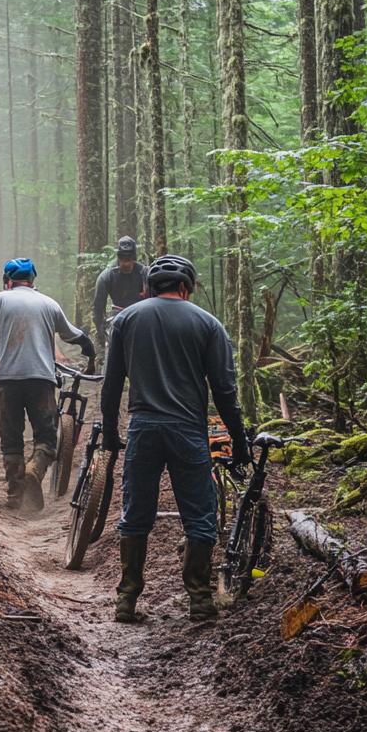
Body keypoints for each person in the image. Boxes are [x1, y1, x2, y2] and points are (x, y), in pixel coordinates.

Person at [100, 254, 250, 624]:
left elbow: (112, 383)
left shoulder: (126, 319)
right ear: (186, 287)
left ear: (150, 287)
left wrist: (110, 431)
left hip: (143, 428)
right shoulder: (209, 324)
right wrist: (240, 442)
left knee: (136, 514)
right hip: (188, 431)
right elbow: (225, 391)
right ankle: (199, 599)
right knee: (198, 515)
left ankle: (127, 599)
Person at [0, 258, 95, 512]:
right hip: (41, 380)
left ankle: (16, 495)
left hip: (6, 380)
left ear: (8, 280)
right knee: (47, 436)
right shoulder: (49, 303)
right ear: (32, 280)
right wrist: (91, 354)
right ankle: (34, 471)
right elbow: (75, 335)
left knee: (11, 439)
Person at [93, 236, 148, 357]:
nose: (126, 262)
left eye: (128, 258)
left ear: (134, 257)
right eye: (122, 258)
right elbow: (98, 306)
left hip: (141, 315)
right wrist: (100, 331)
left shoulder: (145, 273)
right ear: (118, 257)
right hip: (117, 316)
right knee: (112, 349)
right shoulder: (107, 275)